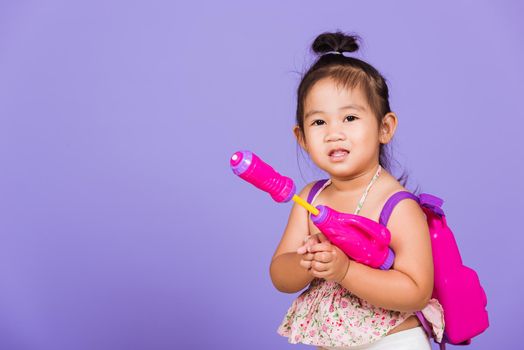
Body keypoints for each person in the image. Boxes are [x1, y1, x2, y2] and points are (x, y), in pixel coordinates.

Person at [269, 31, 445, 349]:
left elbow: (416, 291)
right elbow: (281, 275)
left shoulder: (397, 205)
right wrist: (306, 261)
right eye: (319, 122)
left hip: (393, 341)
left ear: (384, 128)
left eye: (350, 118)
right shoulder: (310, 199)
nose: (334, 133)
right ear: (302, 138)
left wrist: (345, 269)